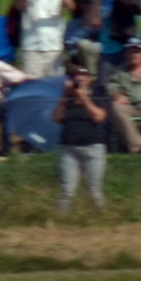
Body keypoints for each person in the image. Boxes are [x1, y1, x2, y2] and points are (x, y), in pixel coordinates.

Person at [52, 59, 106, 213]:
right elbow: (56, 118)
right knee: (66, 191)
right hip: (69, 149)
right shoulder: (66, 99)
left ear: (89, 79)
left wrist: (84, 99)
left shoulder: (97, 95)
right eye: (76, 76)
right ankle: (59, 221)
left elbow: (99, 117)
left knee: (94, 190)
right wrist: (64, 96)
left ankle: (102, 220)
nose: (79, 79)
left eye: (83, 76)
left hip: (92, 148)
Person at [81, 0, 141, 85]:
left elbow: (135, 9)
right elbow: (91, 22)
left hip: (126, 47)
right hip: (107, 49)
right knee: (104, 86)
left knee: (126, 85)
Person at [10, 0, 73, 79]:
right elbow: (18, 5)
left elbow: (71, 7)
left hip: (54, 47)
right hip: (32, 47)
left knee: (54, 87)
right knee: (32, 87)